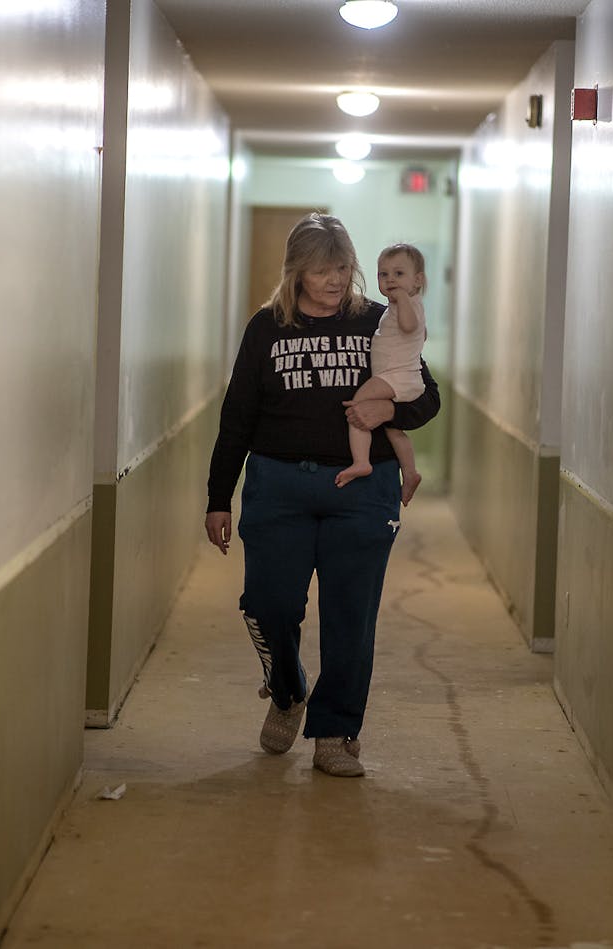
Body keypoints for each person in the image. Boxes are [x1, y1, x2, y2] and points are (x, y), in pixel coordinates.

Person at [204, 213, 440, 778]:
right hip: (277, 485)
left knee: (350, 616)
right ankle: (287, 692)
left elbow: (425, 396)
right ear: (296, 272)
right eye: (320, 270)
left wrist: (391, 409)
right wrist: (218, 496)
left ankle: (335, 731)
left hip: (362, 490)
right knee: (267, 604)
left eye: (342, 268)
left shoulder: (377, 323)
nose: (334, 280)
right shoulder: (267, 328)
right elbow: (237, 417)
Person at [334, 243, 427, 506]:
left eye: (399, 274)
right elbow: (420, 333)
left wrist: (404, 301)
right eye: (383, 274)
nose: (390, 280)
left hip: (395, 377)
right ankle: (410, 472)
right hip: (401, 377)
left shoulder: (406, 304)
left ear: (417, 280)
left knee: (359, 406)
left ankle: (361, 462)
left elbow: (410, 326)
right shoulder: (402, 305)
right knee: (393, 430)